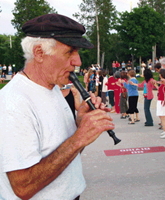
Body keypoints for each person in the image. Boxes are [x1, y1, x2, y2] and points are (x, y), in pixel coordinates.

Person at [0, 14, 114, 199]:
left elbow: (66, 156)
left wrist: (81, 125)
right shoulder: (14, 103)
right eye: (70, 52)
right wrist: (78, 138)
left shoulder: (52, 89)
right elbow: (23, 188)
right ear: (39, 53)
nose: (78, 62)